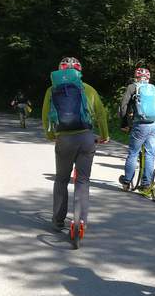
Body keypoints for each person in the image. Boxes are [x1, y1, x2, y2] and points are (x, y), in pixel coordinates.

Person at [41, 57, 109, 232]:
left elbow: (45, 115)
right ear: (79, 71)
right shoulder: (88, 89)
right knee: (83, 181)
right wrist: (104, 135)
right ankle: (80, 222)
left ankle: (57, 220)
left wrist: (50, 135)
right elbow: (101, 114)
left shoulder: (52, 89)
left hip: (64, 139)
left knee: (62, 179)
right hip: (86, 138)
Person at [117, 67, 155, 193]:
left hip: (140, 125)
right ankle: (145, 184)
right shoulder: (154, 89)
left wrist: (124, 124)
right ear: (148, 78)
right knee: (150, 155)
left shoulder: (132, 87)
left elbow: (124, 107)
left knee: (133, 153)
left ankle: (127, 181)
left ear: (136, 77)